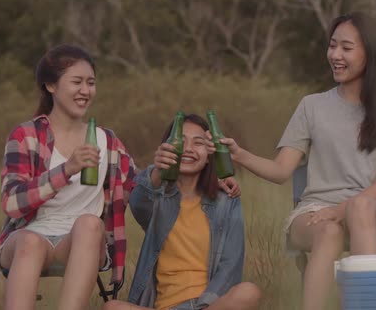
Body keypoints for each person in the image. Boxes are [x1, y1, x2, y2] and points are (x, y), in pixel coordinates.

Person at [210, 12, 376, 310]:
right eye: (332, 45)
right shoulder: (312, 106)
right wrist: (239, 154)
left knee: (360, 207)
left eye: (346, 48)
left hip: (373, 210)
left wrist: (343, 208)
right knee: (329, 230)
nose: (335, 54)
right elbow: (281, 170)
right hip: (315, 212)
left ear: (369, 53)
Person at [0, 44, 136, 310]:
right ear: (51, 86)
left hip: (81, 242)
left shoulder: (108, 142)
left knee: (91, 225)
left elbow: (137, 188)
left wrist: (186, 175)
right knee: (30, 241)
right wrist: (66, 170)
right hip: (29, 238)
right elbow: (12, 203)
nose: (85, 91)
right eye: (77, 82)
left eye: (91, 83)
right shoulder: (26, 136)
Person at [103, 114, 260, 310]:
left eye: (198, 143)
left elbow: (231, 267)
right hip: (164, 307)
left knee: (248, 292)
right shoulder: (157, 200)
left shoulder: (226, 202)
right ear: (168, 149)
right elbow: (138, 201)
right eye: (181, 142)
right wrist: (159, 170)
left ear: (209, 156)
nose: (187, 149)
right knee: (112, 308)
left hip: (208, 306)